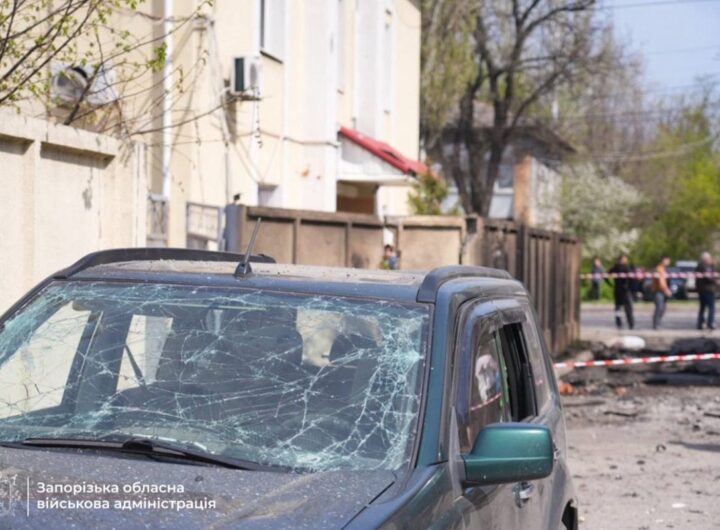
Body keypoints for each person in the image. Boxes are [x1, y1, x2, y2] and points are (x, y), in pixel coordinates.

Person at [608, 254, 634, 329]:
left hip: (619, 290)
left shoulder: (616, 267)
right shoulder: (624, 267)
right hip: (624, 291)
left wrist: (610, 284)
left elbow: (606, 275)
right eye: (624, 259)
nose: (626, 260)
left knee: (619, 308)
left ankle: (622, 323)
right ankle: (629, 323)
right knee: (626, 308)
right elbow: (606, 275)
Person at [695, 252, 716, 330]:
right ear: (705, 259)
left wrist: (712, 265)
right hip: (707, 290)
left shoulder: (706, 267)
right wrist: (716, 282)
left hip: (704, 290)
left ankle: (700, 323)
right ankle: (710, 323)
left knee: (703, 308)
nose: (710, 260)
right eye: (709, 259)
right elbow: (709, 278)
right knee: (711, 308)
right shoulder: (703, 267)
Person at [652, 256, 672, 329]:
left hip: (662, 291)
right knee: (660, 308)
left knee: (662, 308)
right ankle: (656, 325)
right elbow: (661, 282)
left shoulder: (665, 269)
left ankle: (657, 323)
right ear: (663, 261)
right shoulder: (659, 269)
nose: (669, 262)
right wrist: (666, 290)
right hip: (659, 291)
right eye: (667, 260)